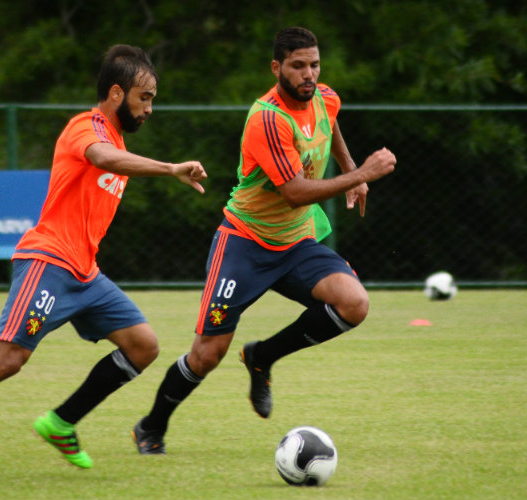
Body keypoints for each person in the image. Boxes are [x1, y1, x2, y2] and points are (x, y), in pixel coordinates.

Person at [0, 44, 207, 484]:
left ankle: (62, 422)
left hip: (85, 271)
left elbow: (112, 156)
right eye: (145, 97)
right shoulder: (86, 126)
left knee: (143, 346)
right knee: (7, 360)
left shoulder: (118, 139)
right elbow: (100, 157)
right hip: (47, 259)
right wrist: (169, 168)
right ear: (117, 94)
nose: (150, 108)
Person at [132, 27, 396, 454]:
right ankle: (151, 427)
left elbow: (331, 122)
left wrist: (350, 170)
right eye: (297, 66)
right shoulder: (268, 119)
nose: (308, 74)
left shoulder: (324, 97)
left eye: (314, 65)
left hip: (295, 243)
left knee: (354, 304)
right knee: (207, 355)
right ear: (277, 68)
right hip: (245, 244)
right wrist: (362, 173)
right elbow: (293, 192)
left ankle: (263, 356)